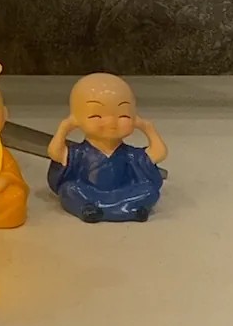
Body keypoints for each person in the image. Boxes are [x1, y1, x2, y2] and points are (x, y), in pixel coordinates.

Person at [47, 72, 167, 223]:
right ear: (76, 118)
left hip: (123, 192)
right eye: (96, 116)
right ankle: (127, 210)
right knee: (69, 189)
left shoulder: (130, 155)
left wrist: (147, 127)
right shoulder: (79, 153)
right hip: (89, 192)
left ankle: (99, 210)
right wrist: (64, 127)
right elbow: (55, 153)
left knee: (148, 190)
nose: (111, 122)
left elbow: (159, 153)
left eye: (123, 116)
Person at [0, 81, 29, 229]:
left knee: (16, 196)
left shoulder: (1, 152)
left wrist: (4, 179)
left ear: (4, 114)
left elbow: (12, 172)